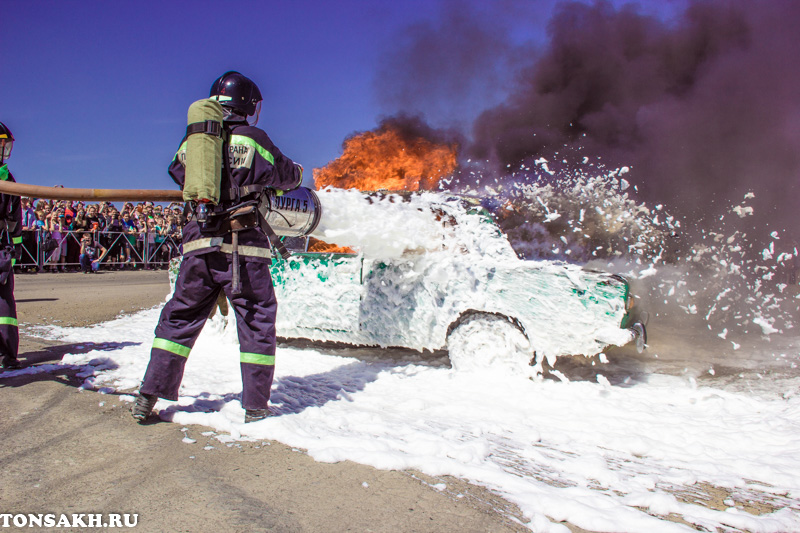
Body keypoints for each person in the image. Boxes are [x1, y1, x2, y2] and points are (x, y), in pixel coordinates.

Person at [133, 71, 303, 423]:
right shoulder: (254, 138)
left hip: (199, 244)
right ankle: (255, 405)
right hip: (244, 248)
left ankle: (149, 394)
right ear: (248, 106)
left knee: (180, 316)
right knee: (256, 320)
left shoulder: (193, 142)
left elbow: (177, 172)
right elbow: (286, 174)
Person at [0, 122, 23, 369]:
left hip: (1, 249)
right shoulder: (7, 178)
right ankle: (6, 354)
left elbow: (14, 219)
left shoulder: (7, 177)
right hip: (2, 249)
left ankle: (6, 353)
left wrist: (13, 250)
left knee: (4, 301)